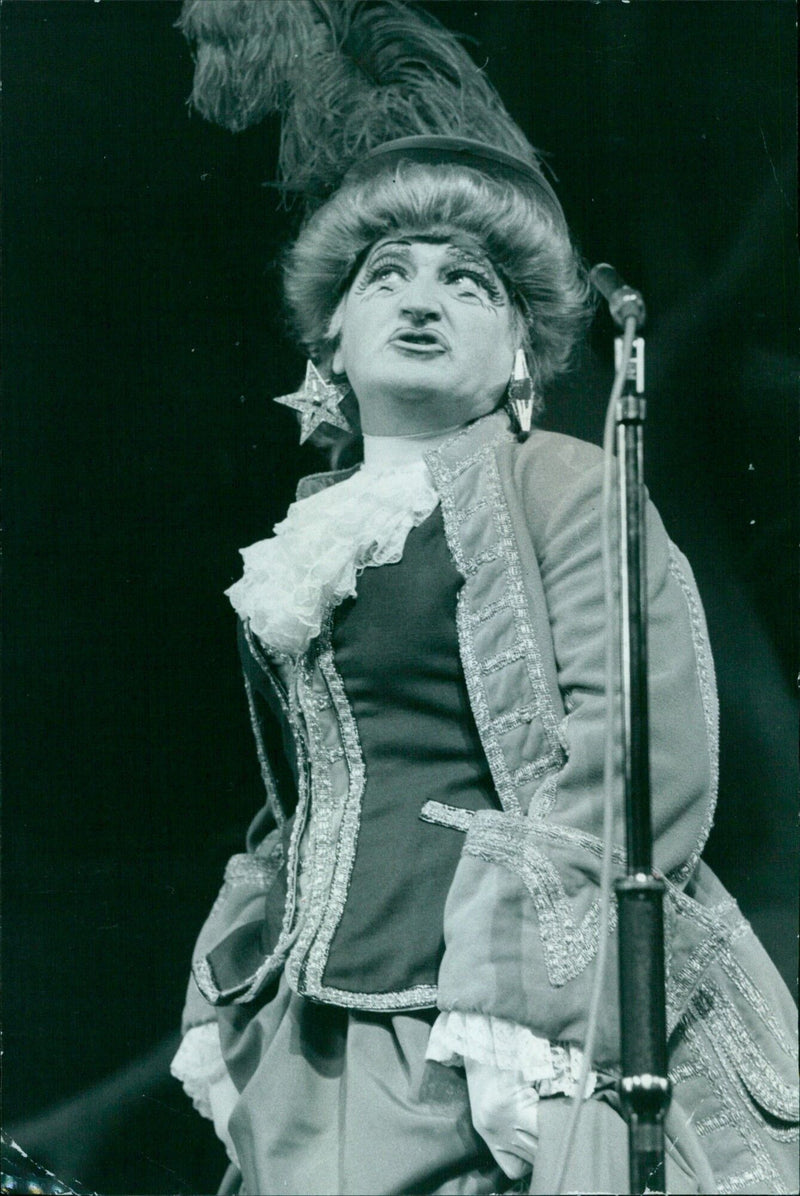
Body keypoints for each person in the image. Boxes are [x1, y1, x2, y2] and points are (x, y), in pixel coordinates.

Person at [171, 4, 799, 1193]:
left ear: (517, 348)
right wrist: (222, 989)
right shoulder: (309, 535)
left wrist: (524, 1014)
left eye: (466, 283)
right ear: (333, 338)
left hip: (500, 1021)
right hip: (310, 1039)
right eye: (386, 274)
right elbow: (299, 805)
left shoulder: (554, 481)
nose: (421, 298)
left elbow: (634, 748)